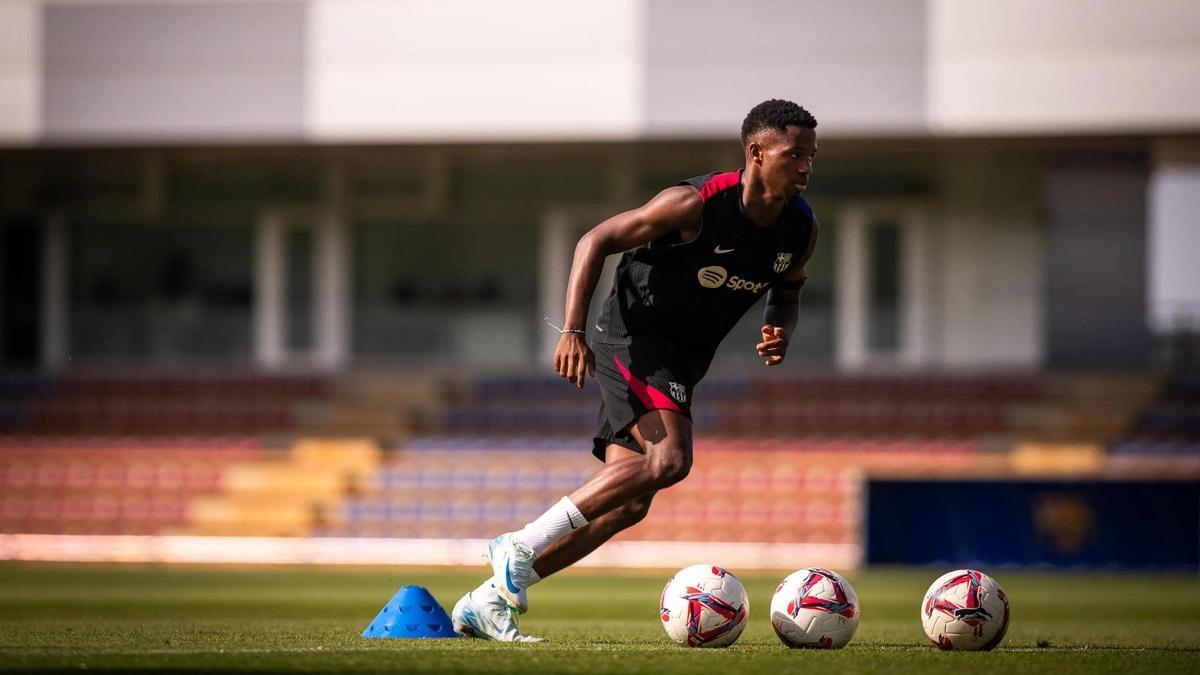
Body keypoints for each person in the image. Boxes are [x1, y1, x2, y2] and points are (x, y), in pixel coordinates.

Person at [452, 99, 820, 641]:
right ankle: (522, 544)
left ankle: (484, 602)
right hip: (631, 340)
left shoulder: (800, 229)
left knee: (630, 504)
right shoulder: (694, 203)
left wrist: (779, 328)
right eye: (795, 155)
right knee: (670, 459)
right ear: (757, 153)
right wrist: (571, 331)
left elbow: (786, 293)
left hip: (682, 362)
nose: (807, 166)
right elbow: (594, 241)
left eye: (812, 155)